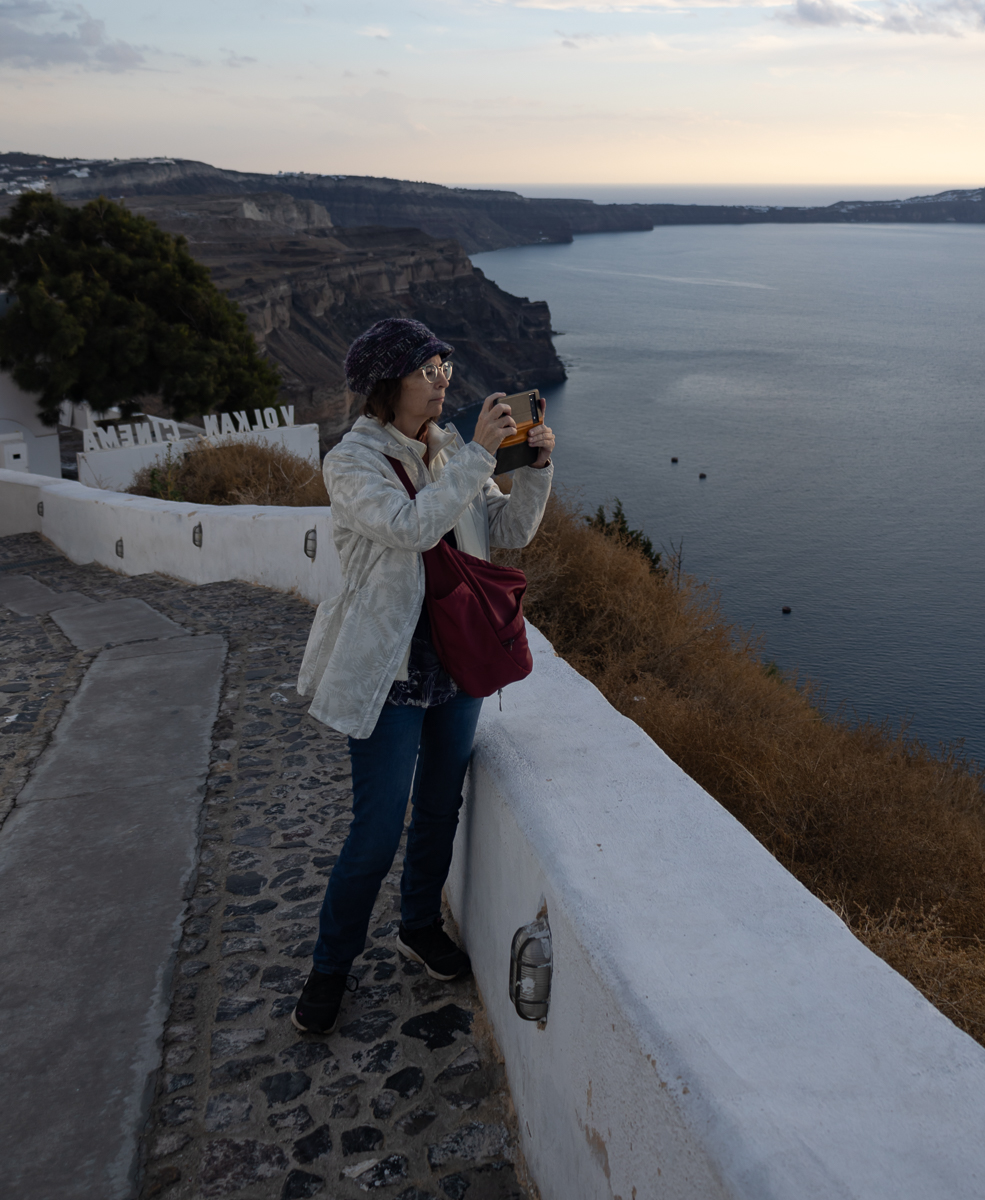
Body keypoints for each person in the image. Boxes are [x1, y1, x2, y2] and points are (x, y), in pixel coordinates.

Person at [293, 317, 556, 1034]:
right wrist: (478, 455)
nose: (443, 380)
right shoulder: (352, 462)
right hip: (390, 671)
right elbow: (411, 527)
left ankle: (417, 926)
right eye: (427, 369)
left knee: (440, 808)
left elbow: (506, 532)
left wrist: (534, 469)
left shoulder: (450, 451)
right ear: (389, 382)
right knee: (376, 831)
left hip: (455, 663)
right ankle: (329, 966)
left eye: (445, 367)